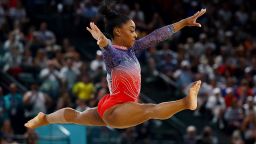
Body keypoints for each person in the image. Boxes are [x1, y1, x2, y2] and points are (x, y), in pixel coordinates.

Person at [25, 1, 206, 129]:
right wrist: (102, 40)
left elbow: (156, 36)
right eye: (132, 30)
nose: (135, 35)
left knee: (76, 116)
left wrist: (183, 22)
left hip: (112, 107)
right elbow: (106, 47)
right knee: (150, 110)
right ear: (118, 31)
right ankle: (185, 103)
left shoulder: (133, 50)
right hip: (118, 108)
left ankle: (45, 119)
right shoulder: (113, 54)